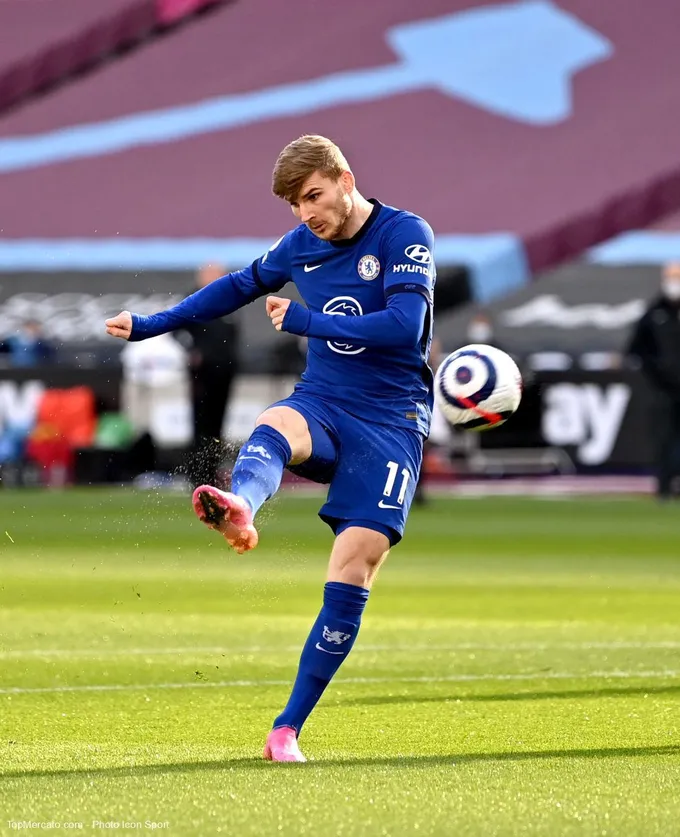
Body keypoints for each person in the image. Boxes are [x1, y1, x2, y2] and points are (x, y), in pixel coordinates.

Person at [105, 135, 436, 763]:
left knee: (353, 567)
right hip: (327, 399)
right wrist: (151, 325)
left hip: (393, 421)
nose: (305, 214)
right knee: (276, 421)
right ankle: (243, 505)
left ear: (344, 177)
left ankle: (286, 729)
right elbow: (235, 287)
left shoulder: (403, 234)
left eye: (312, 196)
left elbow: (405, 328)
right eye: (293, 204)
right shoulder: (301, 245)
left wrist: (309, 321)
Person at [627, 261, 680, 501]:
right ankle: (664, 488)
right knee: (663, 440)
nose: (676, 283)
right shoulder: (653, 313)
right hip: (660, 389)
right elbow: (637, 350)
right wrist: (656, 374)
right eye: (672, 277)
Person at [176, 264, 241, 488]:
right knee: (200, 421)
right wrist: (191, 350)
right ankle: (197, 476)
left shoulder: (229, 299)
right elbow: (177, 329)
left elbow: (231, 334)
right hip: (202, 372)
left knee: (218, 424)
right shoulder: (193, 299)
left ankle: (213, 473)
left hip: (225, 370)